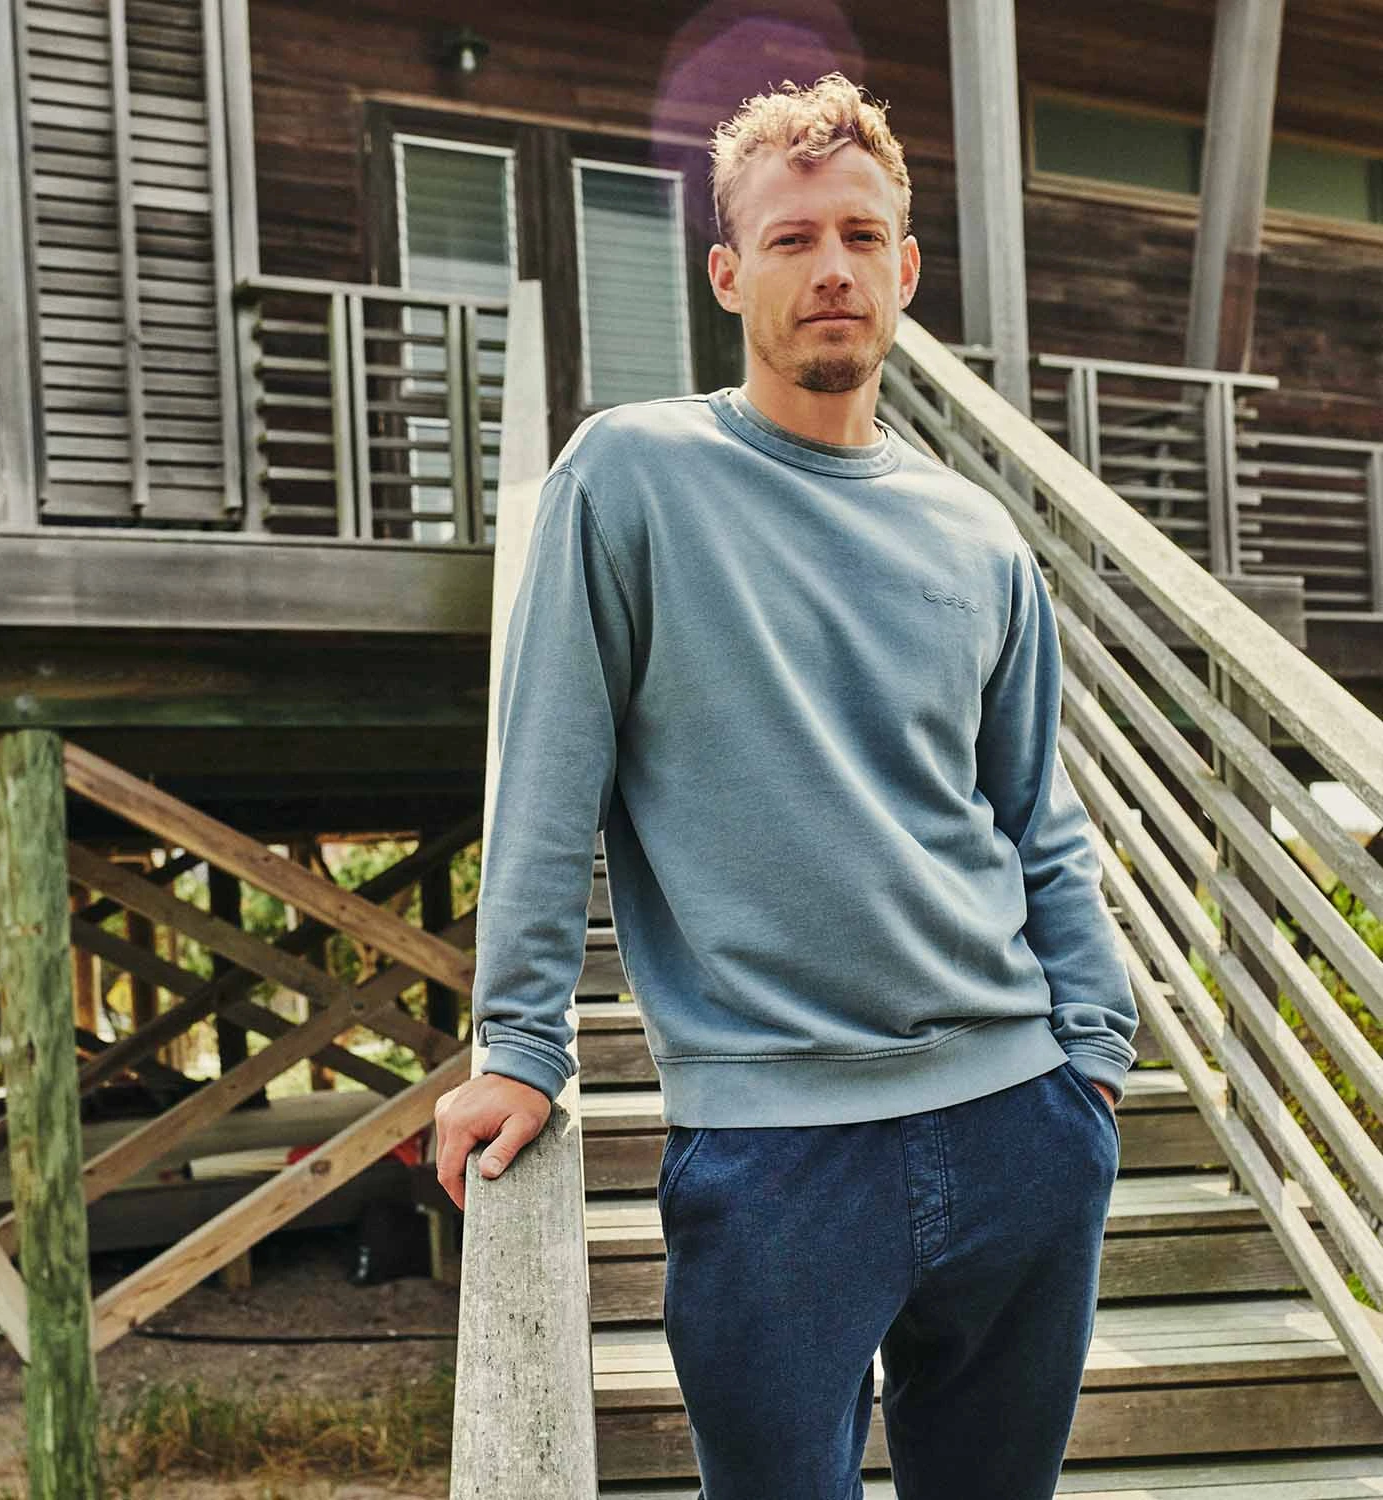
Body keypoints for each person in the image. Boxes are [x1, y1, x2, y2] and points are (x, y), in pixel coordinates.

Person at [434, 72, 1139, 1500]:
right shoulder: (631, 478)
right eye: (793, 238)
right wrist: (520, 1044)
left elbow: (1037, 818)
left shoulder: (978, 533)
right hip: (774, 1158)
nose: (833, 270)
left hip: (1021, 1126)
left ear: (906, 270)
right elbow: (548, 785)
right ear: (727, 273)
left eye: (863, 238)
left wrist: (1096, 1058)